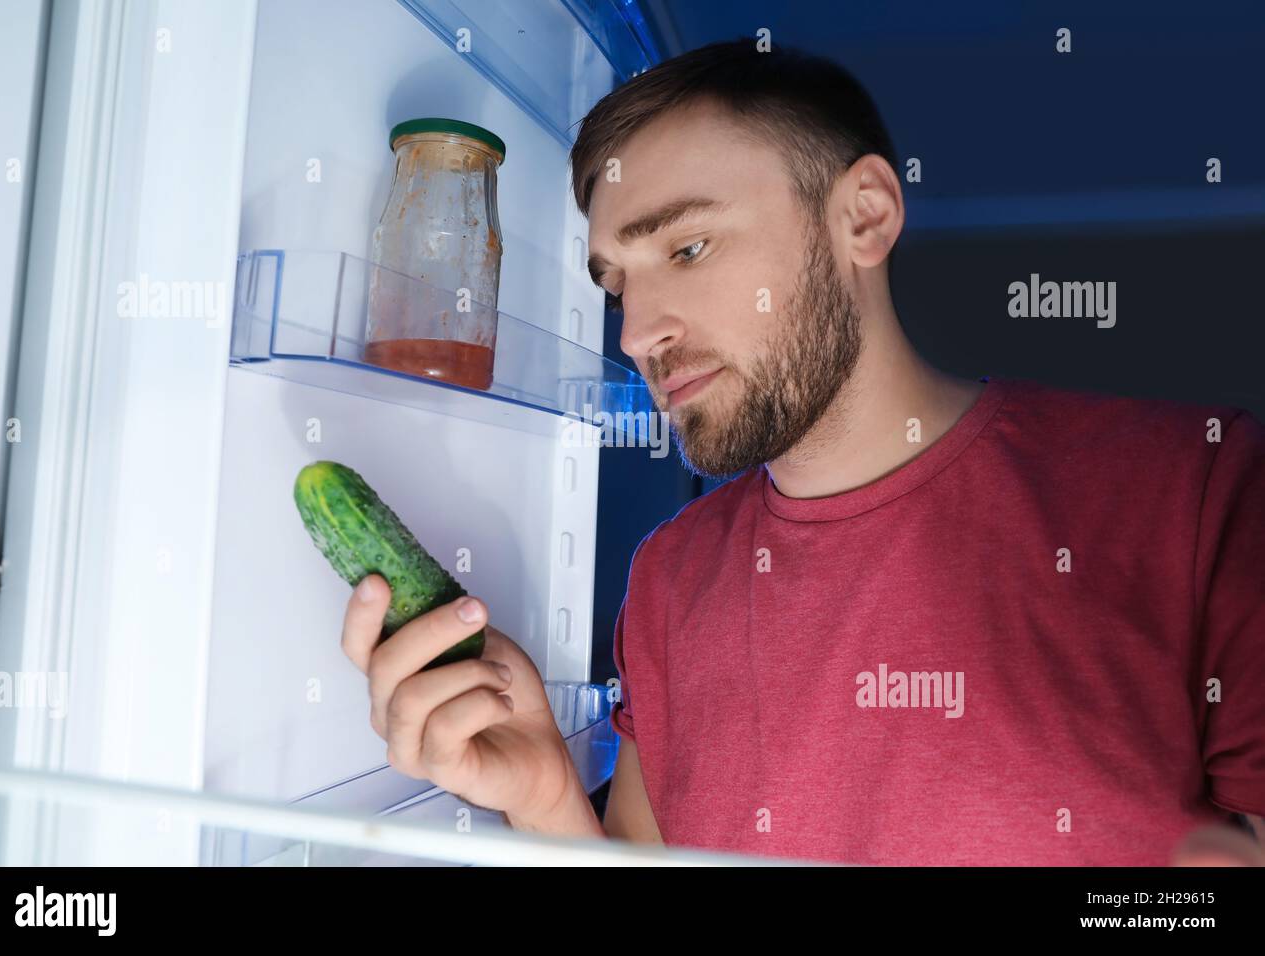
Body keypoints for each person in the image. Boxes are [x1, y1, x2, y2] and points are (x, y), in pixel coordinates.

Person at [340, 38, 1264, 865]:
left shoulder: (1202, 490)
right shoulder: (667, 581)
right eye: (618, 283)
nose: (637, 332)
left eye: (689, 248)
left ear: (864, 215)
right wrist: (543, 795)